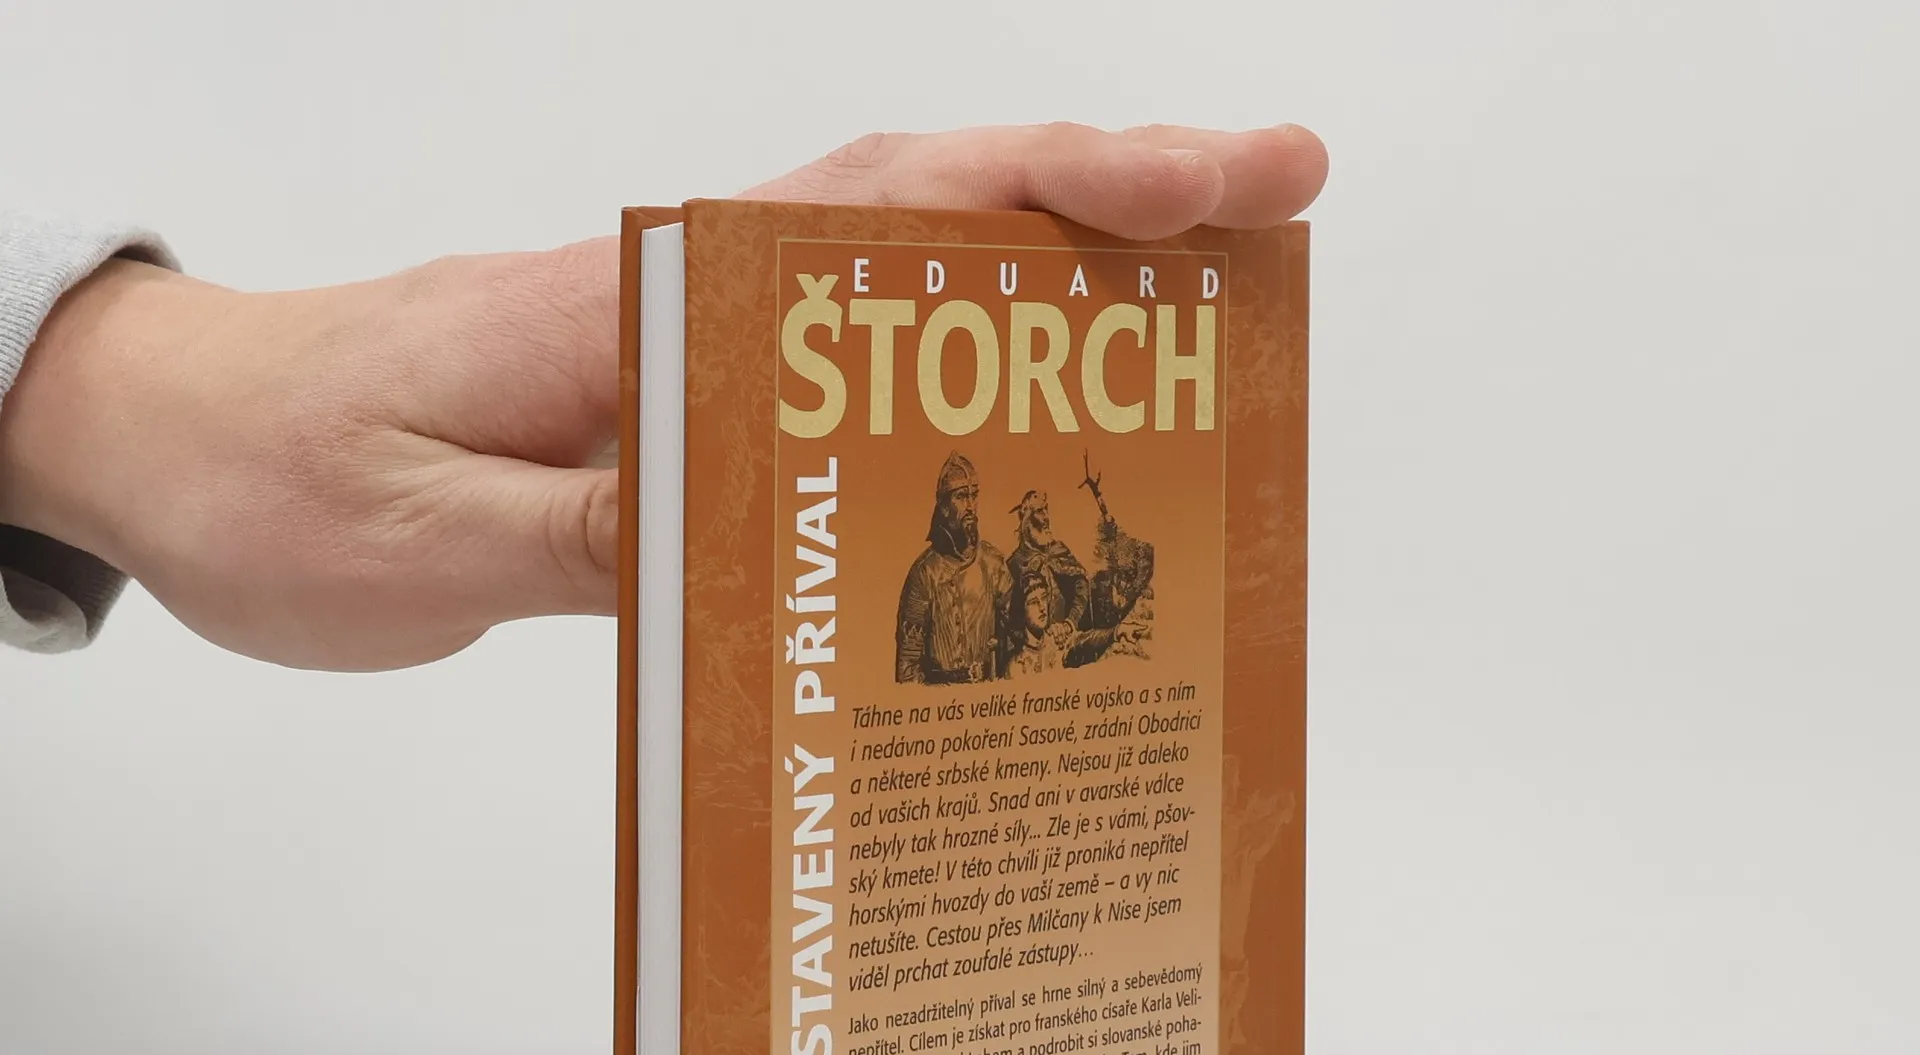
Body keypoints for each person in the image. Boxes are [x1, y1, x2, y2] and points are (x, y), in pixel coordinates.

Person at [0, 122, 1327, 669]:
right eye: (969, 495)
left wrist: (99, 382)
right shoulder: (935, 582)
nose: (980, 509)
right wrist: (109, 393)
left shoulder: (1019, 581)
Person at [893, 451, 1015, 684]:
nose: (970, 506)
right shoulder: (924, 573)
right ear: (944, 506)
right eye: (961, 496)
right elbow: (908, 670)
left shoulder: (993, 563)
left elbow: (1019, 635)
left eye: (974, 496)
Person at [1001, 488, 1090, 675]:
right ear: (1026, 519)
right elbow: (1008, 615)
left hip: (1067, 644)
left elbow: (1081, 585)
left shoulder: (1059, 550)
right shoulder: (1014, 564)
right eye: (1040, 511)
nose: (1046, 518)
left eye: (1047, 510)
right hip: (1032, 655)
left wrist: (1069, 623)